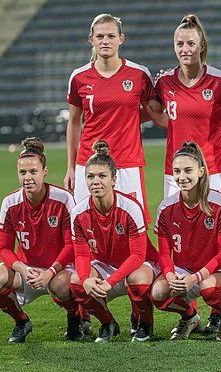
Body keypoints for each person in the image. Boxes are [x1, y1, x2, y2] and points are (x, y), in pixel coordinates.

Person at [0, 137, 82, 343]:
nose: (27, 177)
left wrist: (50, 272)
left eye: (33, 172)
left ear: (44, 171)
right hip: (27, 271)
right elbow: (4, 249)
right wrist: (23, 269)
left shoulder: (63, 198)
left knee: (64, 285)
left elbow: (71, 244)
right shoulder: (10, 203)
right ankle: (21, 322)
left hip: (59, 270)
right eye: (22, 172)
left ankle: (75, 319)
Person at [65, 13, 154, 223]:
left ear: (121, 39)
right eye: (100, 36)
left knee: (133, 222)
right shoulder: (78, 77)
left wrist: (129, 118)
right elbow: (74, 122)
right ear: (91, 39)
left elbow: (154, 111)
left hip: (127, 162)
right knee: (86, 224)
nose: (105, 41)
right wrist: (70, 166)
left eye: (111, 36)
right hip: (89, 162)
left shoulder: (139, 74)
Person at [147, 14, 221, 200]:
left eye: (191, 44)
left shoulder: (220, 80)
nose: (185, 49)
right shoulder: (164, 82)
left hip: (214, 168)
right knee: (178, 227)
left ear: (201, 46)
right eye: (180, 44)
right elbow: (160, 116)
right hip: (177, 170)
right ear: (174, 47)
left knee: (220, 226)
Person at [69, 141, 159, 343]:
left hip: (137, 265)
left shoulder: (131, 207)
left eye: (102, 176)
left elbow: (138, 255)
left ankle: (144, 321)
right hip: (104, 265)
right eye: (90, 176)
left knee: (138, 280)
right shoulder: (78, 213)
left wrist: (110, 282)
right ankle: (107, 323)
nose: (96, 181)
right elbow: (82, 255)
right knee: (76, 281)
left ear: (113, 180)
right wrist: (85, 279)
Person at [151, 142, 221, 340]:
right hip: (183, 270)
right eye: (177, 171)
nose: (182, 177)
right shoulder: (166, 208)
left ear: (201, 172)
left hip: (215, 271)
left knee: (209, 289)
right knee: (158, 293)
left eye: (188, 170)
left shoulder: (220, 204)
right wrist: (170, 275)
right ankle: (189, 316)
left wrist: (195, 278)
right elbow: (164, 253)